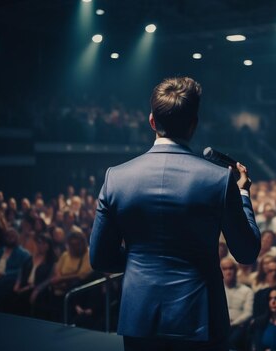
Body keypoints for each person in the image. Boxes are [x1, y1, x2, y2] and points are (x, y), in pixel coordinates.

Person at [89, 77, 261, 351]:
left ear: (152, 122)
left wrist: (141, 260)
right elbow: (246, 252)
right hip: (199, 319)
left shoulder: (116, 178)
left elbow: (100, 258)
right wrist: (243, 194)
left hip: (140, 317)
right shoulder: (219, 180)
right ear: (194, 124)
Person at [220, 257, 253, 350]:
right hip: (220, 327)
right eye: (225, 269)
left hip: (238, 328)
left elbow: (248, 313)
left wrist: (233, 323)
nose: (228, 272)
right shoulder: (216, 291)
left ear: (236, 270)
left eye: (231, 268)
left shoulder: (247, 291)